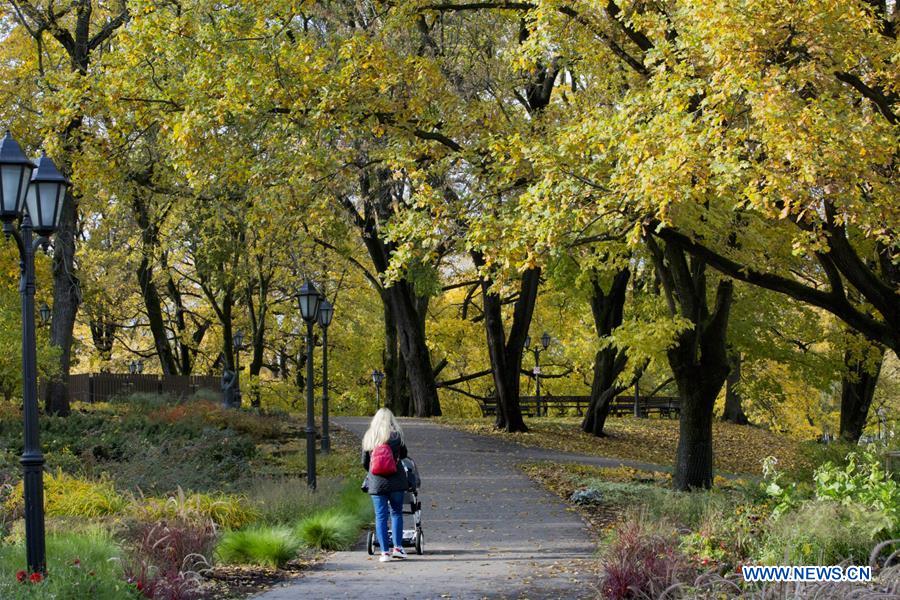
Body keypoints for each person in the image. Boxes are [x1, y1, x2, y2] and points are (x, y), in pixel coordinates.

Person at [362, 408, 409, 563]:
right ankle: (398, 548)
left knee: (381, 517)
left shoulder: (370, 437)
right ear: (391, 420)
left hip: (377, 482)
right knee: (396, 513)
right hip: (396, 481)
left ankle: (384, 553)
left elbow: (364, 462)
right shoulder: (396, 436)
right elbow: (403, 455)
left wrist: (375, 470)